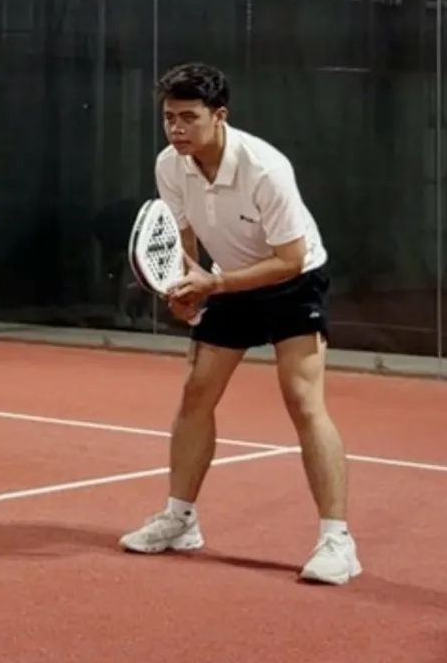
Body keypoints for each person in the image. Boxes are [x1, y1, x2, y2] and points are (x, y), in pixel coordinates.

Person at [119, 62, 362, 585]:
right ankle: (180, 520)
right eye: (169, 118)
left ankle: (337, 541)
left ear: (219, 115)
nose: (176, 129)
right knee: (196, 394)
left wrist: (215, 284)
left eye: (189, 117)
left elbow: (290, 259)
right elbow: (180, 235)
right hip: (225, 279)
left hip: (294, 281)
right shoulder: (170, 165)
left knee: (303, 399)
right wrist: (183, 287)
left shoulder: (266, 169)